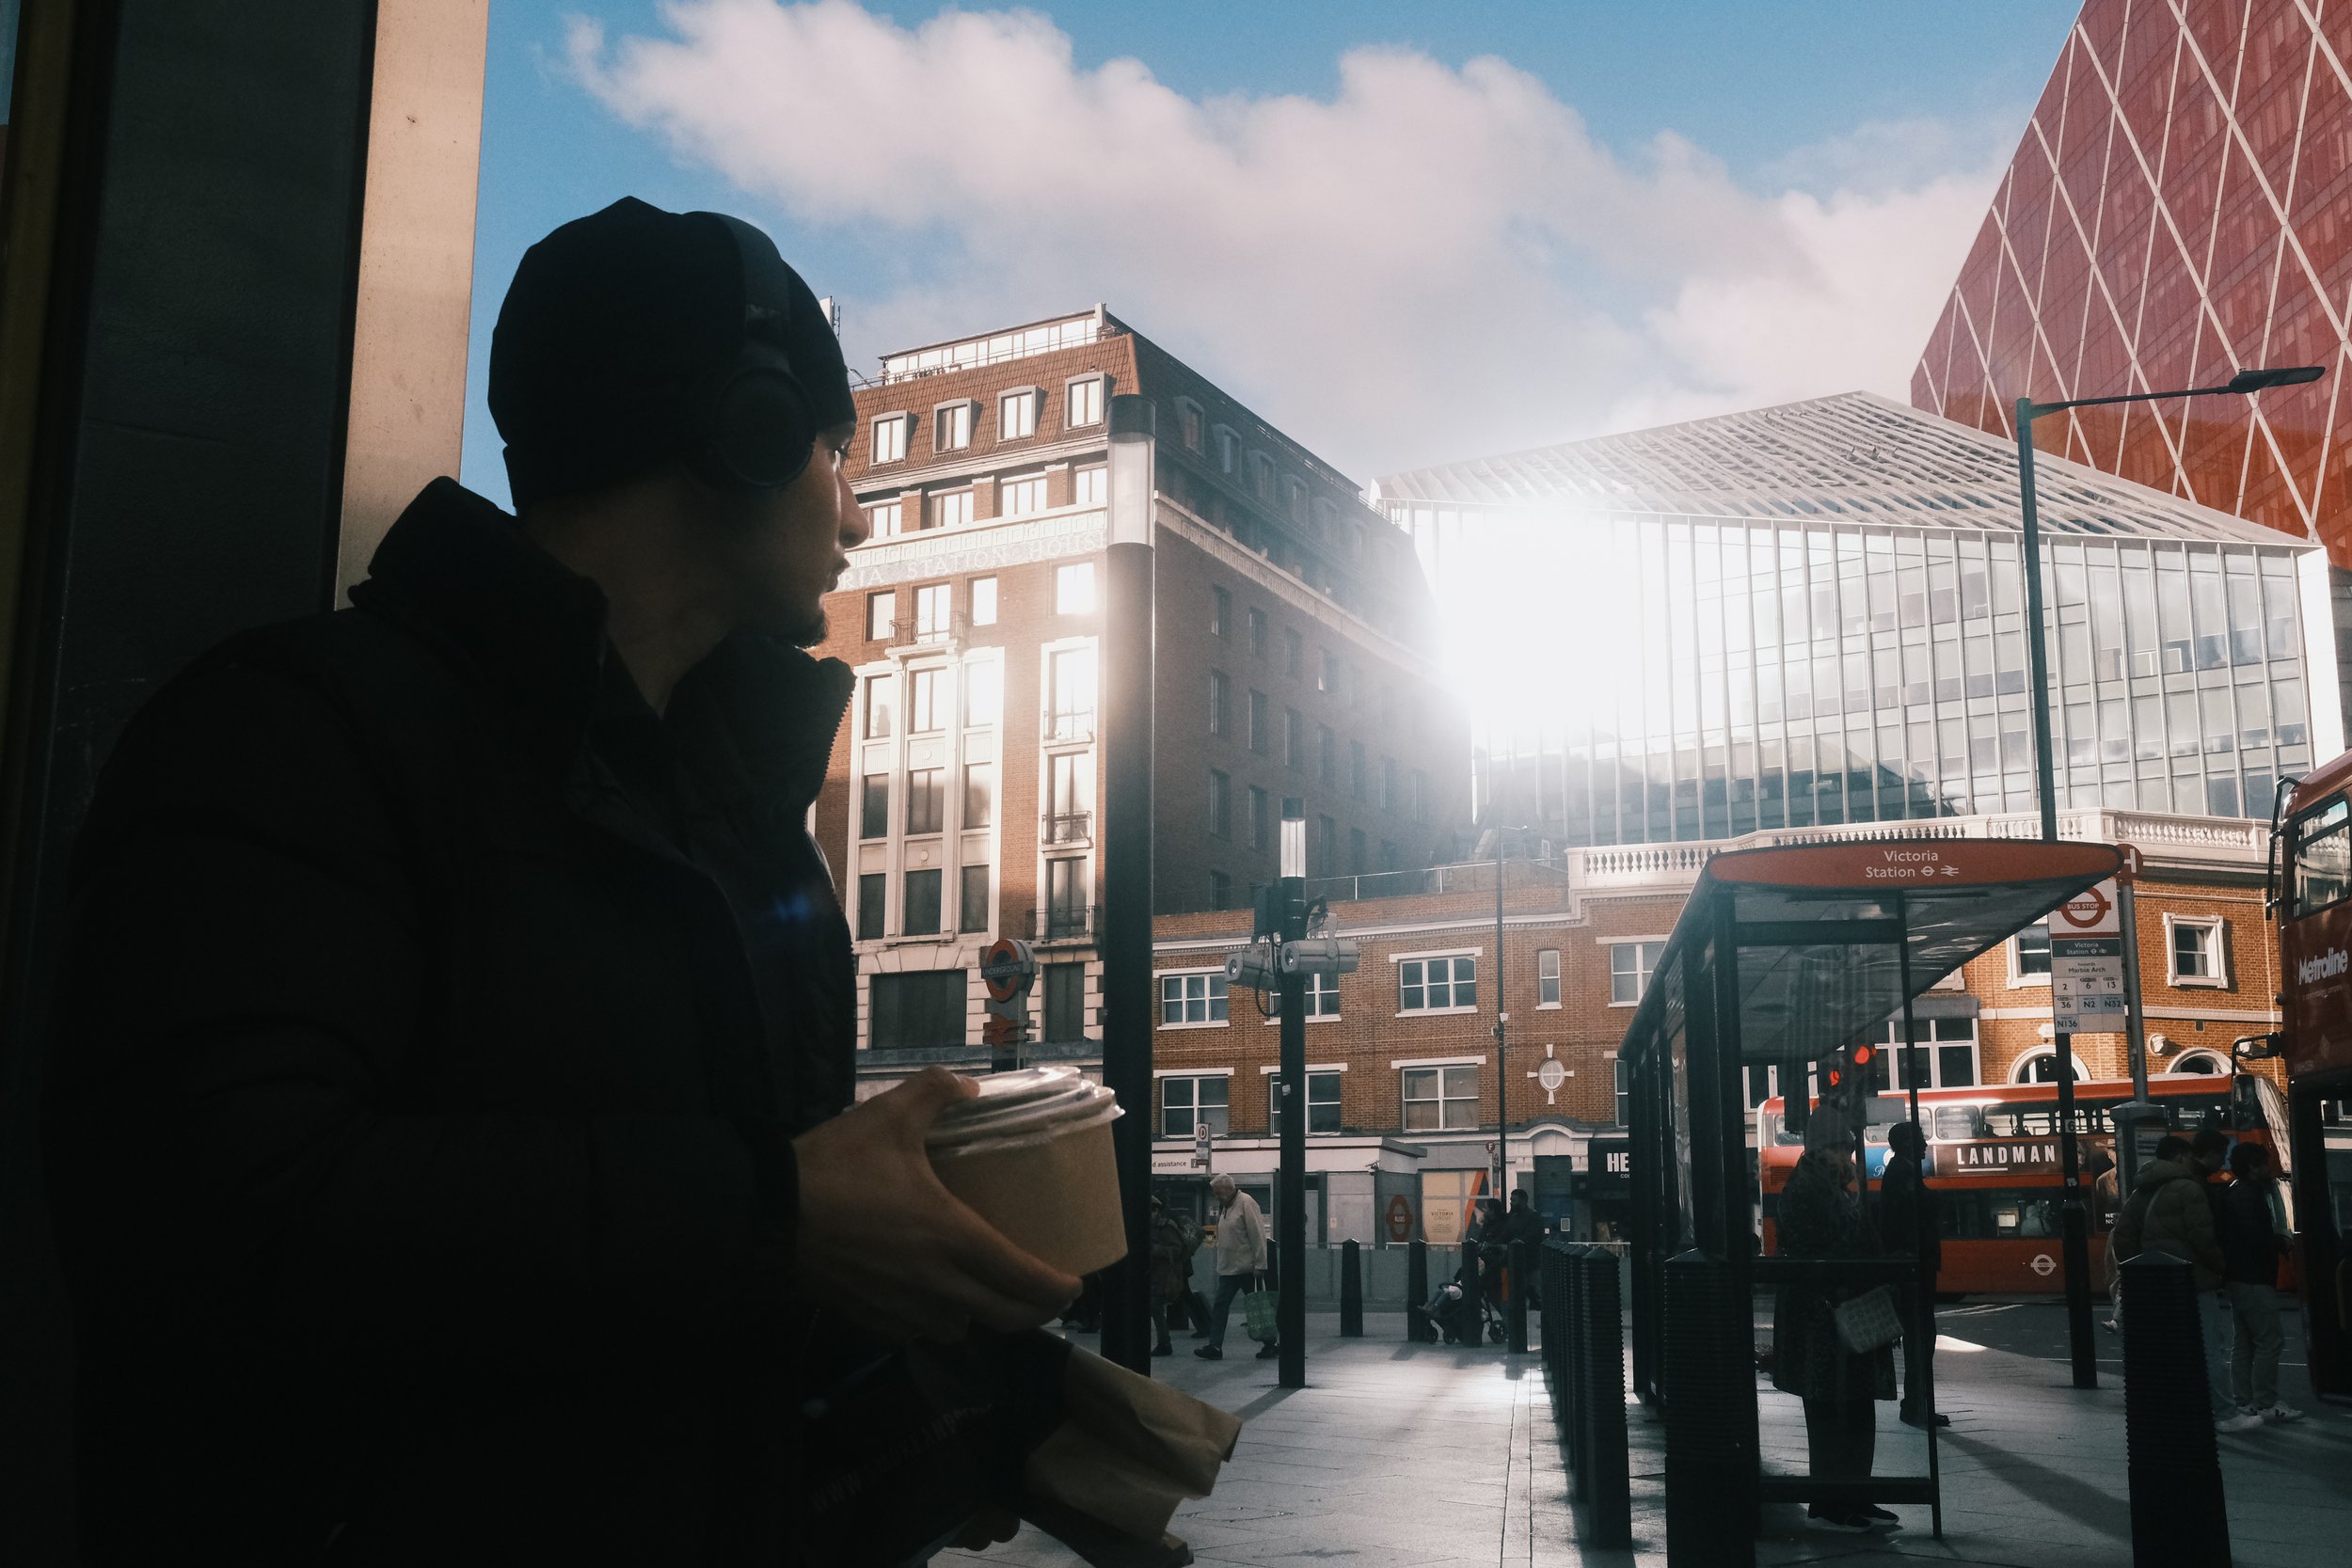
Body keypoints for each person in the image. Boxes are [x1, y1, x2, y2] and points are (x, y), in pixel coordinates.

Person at [40, 198, 1082, 1565]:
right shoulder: (294, 735)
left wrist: (976, 1417)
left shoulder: (741, 817)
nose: (857, 504)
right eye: (834, 448)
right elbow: (213, 1211)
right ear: (743, 431)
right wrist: (779, 1213)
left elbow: (709, 1290)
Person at [1772, 1106, 1899, 1534]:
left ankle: (1856, 1492)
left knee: (1857, 1407)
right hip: (1824, 1319)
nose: (1847, 1154)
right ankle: (1832, 1498)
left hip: (1845, 1313)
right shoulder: (1809, 1189)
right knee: (1832, 1411)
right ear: (1822, 1148)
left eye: (1848, 1146)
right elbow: (1829, 1248)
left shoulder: (1835, 1187)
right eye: (1840, 1146)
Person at [2114, 1129, 2259, 1433]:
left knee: (2169, 1351)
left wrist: (2141, 1271)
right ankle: (2224, 1414)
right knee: (2210, 1349)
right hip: (2193, 1281)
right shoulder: (2188, 1189)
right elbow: (2203, 1237)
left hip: (2155, 1285)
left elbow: (2123, 1239)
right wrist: (2220, 1267)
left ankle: (2174, 1411)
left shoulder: (2139, 1193)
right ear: (2181, 1157)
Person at [2221, 1142, 2303, 1425]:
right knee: (2269, 1340)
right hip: (2254, 1277)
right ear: (2252, 1167)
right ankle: (2266, 1402)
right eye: (2264, 1164)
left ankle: (2244, 1401)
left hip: (2239, 1277)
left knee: (2243, 1342)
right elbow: (2255, 1238)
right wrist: (2280, 1242)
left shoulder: (2236, 1191)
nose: (2269, 1169)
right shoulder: (2250, 1195)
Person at [1876, 1120, 1948, 1428]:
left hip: (1913, 1267)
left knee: (1921, 1339)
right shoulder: (1903, 1173)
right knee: (1920, 1339)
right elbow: (1917, 1210)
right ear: (1906, 1144)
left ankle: (1917, 1404)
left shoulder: (1902, 1171)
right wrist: (1938, 1201)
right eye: (1920, 1138)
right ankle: (1916, 1407)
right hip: (1913, 1269)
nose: (1925, 1144)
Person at [1195, 1175, 1274, 1361]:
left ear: (1228, 1189)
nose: (1216, 1196)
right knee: (1221, 1306)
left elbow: (1258, 1234)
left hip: (1247, 1268)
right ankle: (1215, 1346)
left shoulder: (1246, 1202)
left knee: (1258, 1307)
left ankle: (1271, 1343)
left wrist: (1261, 1264)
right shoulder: (1226, 1206)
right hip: (1229, 1269)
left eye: (1217, 1192)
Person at [1148, 1196, 1199, 1357]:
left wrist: (1155, 1250)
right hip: (1153, 1274)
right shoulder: (1151, 1226)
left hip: (1166, 1275)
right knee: (1153, 1306)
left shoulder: (1166, 1227)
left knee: (1155, 1306)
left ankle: (1164, 1343)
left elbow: (1176, 1250)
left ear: (1156, 1211)